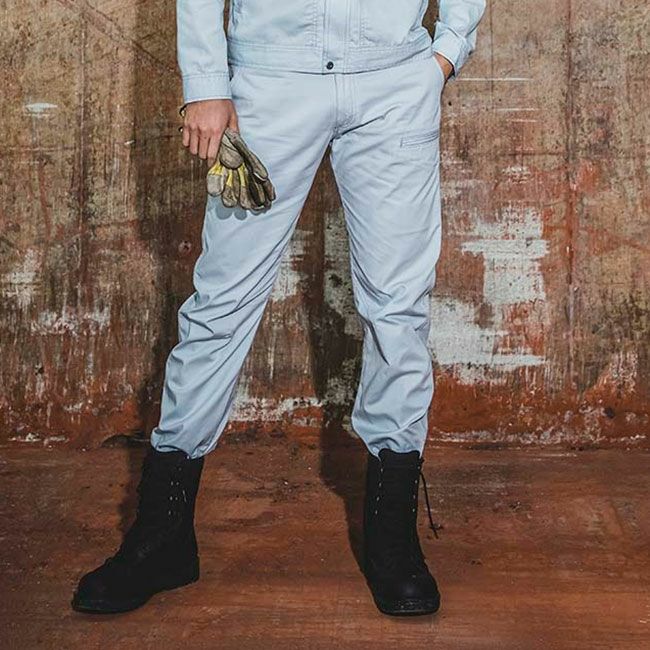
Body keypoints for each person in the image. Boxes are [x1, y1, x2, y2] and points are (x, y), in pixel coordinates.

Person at [72, 0, 486, 617]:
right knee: (221, 305)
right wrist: (206, 82)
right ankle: (162, 534)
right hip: (270, 82)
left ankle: (392, 539)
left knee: (398, 308)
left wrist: (445, 52)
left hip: (394, 82)